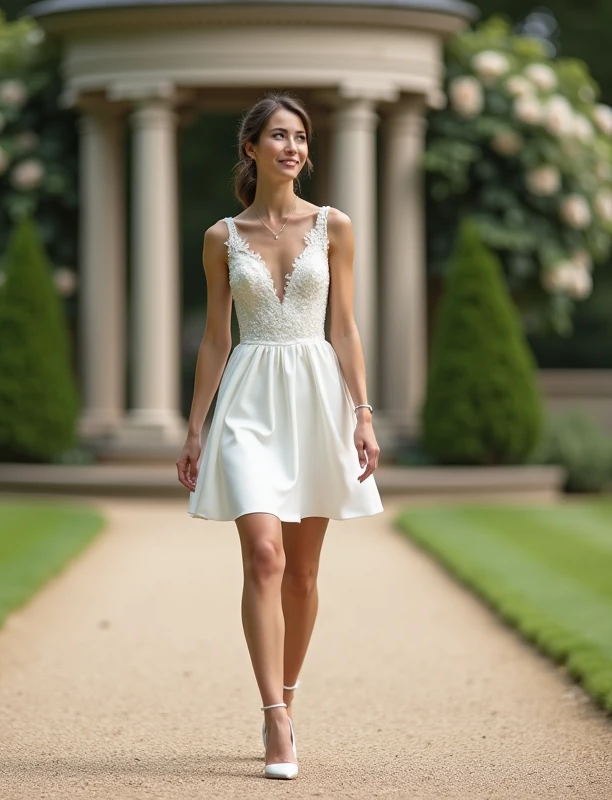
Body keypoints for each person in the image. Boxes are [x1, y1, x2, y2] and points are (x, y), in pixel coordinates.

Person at [176, 92, 384, 781]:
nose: (292, 146)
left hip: (316, 397)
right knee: (263, 555)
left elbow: (346, 327)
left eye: (299, 136)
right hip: (248, 398)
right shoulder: (220, 237)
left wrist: (363, 412)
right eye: (278, 136)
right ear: (252, 148)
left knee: (302, 572)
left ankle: (290, 696)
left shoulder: (335, 226)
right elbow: (213, 338)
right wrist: (195, 427)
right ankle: (273, 718)